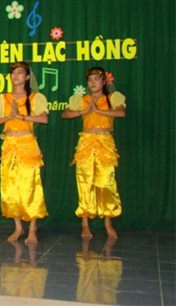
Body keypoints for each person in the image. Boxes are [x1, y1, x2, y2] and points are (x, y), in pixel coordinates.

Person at [0, 61, 48, 244]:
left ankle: (32, 228)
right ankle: (18, 227)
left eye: (20, 72)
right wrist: (8, 117)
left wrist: (20, 116)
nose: (16, 76)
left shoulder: (36, 97)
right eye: (13, 72)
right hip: (9, 145)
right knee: (10, 187)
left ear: (27, 77)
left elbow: (44, 119)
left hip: (27, 144)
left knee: (31, 186)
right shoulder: (2, 98)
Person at [61, 66, 125, 240]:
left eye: (96, 79)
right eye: (90, 80)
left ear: (104, 81)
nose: (93, 83)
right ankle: (85, 223)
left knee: (106, 182)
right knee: (85, 181)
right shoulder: (82, 100)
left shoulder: (112, 98)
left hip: (105, 143)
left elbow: (121, 112)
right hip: (86, 142)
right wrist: (84, 111)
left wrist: (98, 110)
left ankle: (108, 223)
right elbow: (65, 114)